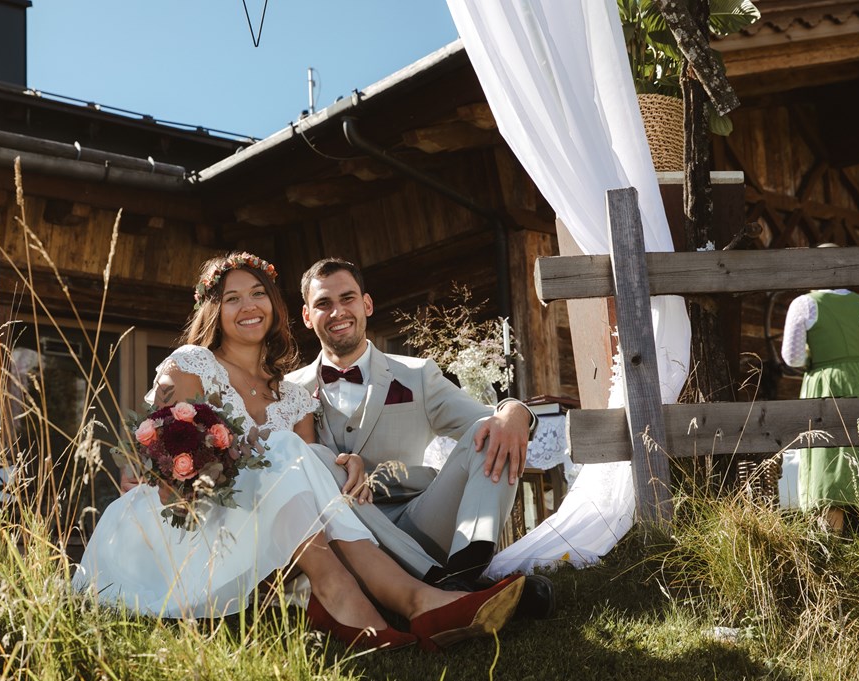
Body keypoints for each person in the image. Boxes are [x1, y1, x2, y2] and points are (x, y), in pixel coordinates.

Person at [73, 252, 527, 651]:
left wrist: (340, 460)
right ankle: (381, 595)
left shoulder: (291, 395)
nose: (248, 306)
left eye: (258, 294)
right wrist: (155, 470)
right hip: (196, 522)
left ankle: (398, 594)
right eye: (232, 298)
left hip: (333, 523)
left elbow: (307, 465)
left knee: (300, 450)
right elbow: (155, 450)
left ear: (274, 306)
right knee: (290, 446)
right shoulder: (192, 363)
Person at [288, 258, 546, 599]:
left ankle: (465, 570)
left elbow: (481, 423)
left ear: (366, 304)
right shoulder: (287, 391)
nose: (337, 312)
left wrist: (515, 411)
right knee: (314, 458)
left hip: (419, 523)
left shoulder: (417, 375)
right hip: (344, 541)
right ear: (308, 316)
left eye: (347, 298)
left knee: (490, 432)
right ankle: (456, 586)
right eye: (323, 304)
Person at [781, 287, 859, 533]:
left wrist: (814, 358)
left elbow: (791, 356)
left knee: (826, 457)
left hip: (826, 383)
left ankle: (829, 540)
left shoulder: (805, 303)